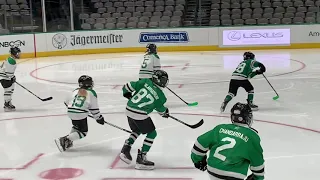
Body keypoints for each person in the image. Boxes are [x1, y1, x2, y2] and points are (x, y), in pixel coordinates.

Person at [191, 102, 265, 180]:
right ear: (248, 118)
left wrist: (198, 160)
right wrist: (258, 177)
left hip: (212, 171)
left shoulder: (220, 128)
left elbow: (200, 142)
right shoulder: (251, 136)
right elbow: (257, 160)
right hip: (233, 175)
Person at [119, 69, 169, 170]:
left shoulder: (145, 81)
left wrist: (127, 94)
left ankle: (126, 148)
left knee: (137, 130)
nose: (164, 82)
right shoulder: (161, 96)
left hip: (129, 108)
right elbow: (161, 110)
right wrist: (165, 113)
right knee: (152, 133)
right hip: (139, 113)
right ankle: (141, 158)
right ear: (157, 79)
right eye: (163, 80)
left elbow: (127, 86)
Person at [55, 75, 105, 152]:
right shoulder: (91, 93)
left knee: (76, 126)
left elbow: (66, 102)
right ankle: (65, 139)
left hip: (70, 112)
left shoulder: (75, 91)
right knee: (83, 132)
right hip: (80, 114)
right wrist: (99, 118)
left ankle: (68, 142)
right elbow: (94, 108)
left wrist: (75, 108)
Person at [0, 47, 21, 112]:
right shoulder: (11, 61)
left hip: (5, 77)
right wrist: (12, 77)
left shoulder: (10, 59)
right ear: (14, 53)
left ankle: (8, 102)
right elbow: (8, 73)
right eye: (18, 53)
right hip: (5, 78)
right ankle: (7, 103)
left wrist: (12, 77)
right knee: (8, 90)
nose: (19, 55)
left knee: (11, 88)